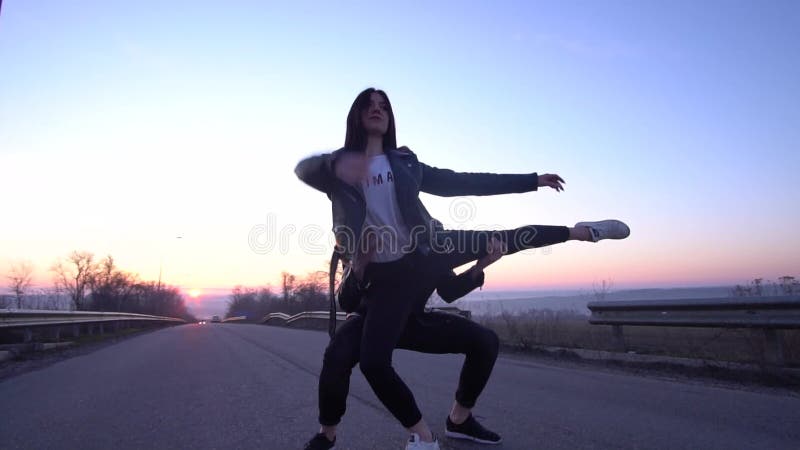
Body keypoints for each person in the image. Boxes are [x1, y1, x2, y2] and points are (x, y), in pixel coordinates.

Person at [295, 87, 630, 450]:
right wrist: (336, 164)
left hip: (425, 250)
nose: (377, 110)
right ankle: (343, 435)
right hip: (383, 280)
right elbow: (303, 169)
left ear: (390, 118)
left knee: (500, 239)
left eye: (384, 107)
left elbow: (464, 181)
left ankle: (581, 232)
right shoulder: (338, 170)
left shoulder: (406, 163)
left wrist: (531, 181)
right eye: (369, 106)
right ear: (357, 116)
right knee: (343, 354)